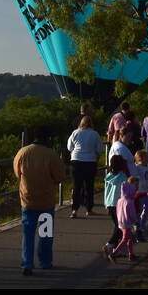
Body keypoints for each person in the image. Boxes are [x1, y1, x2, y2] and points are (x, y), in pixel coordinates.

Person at [12, 126, 64, 276]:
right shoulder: (51, 155)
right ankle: (45, 261)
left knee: (28, 233)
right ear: (47, 139)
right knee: (45, 233)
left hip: (27, 200)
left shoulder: (23, 152)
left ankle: (27, 263)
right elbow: (60, 176)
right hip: (46, 201)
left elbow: (17, 172)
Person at [67, 116, 104, 217]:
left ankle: (74, 210)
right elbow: (100, 149)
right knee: (89, 186)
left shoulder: (75, 132)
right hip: (90, 162)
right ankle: (89, 209)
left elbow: (69, 147)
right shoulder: (95, 134)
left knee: (76, 186)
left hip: (76, 161)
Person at [101, 154, 129, 259]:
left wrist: (106, 203)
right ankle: (109, 245)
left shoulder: (108, 176)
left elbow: (106, 191)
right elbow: (125, 192)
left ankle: (116, 249)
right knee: (120, 227)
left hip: (109, 203)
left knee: (116, 225)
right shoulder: (123, 177)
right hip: (119, 204)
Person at [108, 176, 140, 262]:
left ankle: (131, 254)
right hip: (127, 222)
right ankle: (114, 254)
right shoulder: (129, 201)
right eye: (135, 186)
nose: (136, 188)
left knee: (129, 238)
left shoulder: (120, 200)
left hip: (121, 222)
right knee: (125, 238)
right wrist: (135, 221)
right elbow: (132, 214)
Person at [132, 149, 148, 241]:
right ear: (140, 159)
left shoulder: (147, 167)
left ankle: (142, 224)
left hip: (146, 191)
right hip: (139, 192)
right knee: (138, 210)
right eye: (146, 157)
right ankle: (138, 226)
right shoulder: (136, 167)